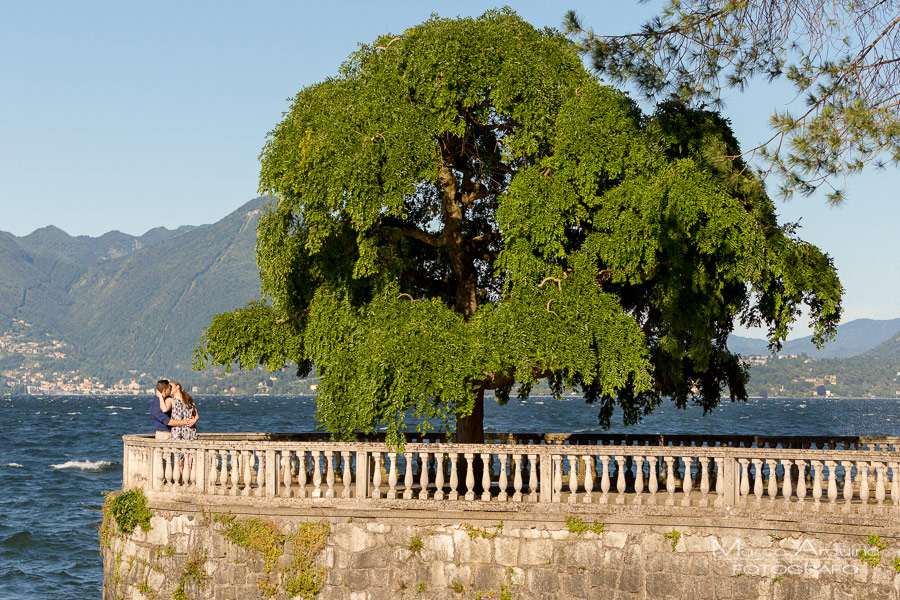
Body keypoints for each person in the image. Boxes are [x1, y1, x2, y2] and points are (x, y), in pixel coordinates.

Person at [158, 381, 199, 475]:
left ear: (177, 387)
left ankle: (189, 481)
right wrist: (161, 395)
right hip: (178, 431)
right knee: (180, 461)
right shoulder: (170, 400)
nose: (169, 389)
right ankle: (183, 481)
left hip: (190, 431)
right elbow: (164, 409)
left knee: (190, 460)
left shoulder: (189, 399)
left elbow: (196, 416)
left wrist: (194, 421)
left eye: (171, 386)